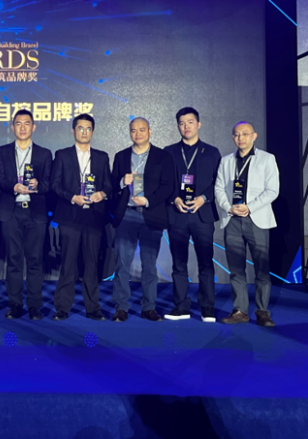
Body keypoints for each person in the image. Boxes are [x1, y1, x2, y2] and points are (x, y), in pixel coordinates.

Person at [110, 117, 175, 322]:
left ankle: (149, 307)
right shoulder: (121, 156)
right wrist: (122, 181)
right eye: (133, 130)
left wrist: (148, 200)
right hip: (126, 215)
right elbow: (112, 184)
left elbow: (168, 186)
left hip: (151, 214)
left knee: (149, 264)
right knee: (122, 264)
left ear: (150, 131)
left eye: (141, 130)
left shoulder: (163, 157)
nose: (137, 134)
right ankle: (121, 307)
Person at [215, 121, 279, 327]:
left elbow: (272, 190)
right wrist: (229, 207)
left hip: (256, 218)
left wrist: (249, 207)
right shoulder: (226, 161)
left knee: (262, 269)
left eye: (245, 134)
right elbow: (218, 188)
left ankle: (262, 311)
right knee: (236, 268)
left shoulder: (267, 159)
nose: (240, 138)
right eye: (236, 134)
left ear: (254, 136)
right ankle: (240, 310)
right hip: (232, 219)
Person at [50, 113, 112, 321]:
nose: (84, 132)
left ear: (92, 131)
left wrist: (102, 194)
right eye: (80, 128)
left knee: (92, 264)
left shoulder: (102, 157)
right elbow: (55, 184)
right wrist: (72, 197)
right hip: (70, 216)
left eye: (88, 128)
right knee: (68, 263)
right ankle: (62, 308)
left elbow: (109, 186)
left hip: (94, 217)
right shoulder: (62, 155)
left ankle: (93, 308)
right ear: (73, 131)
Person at [163, 107, 222, 323]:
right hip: (177, 214)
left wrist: (203, 198)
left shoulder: (212, 152)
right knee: (179, 263)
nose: (186, 126)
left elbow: (219, 183)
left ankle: (207, 307)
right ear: (178, 126)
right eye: (181, 123)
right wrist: (174, 198)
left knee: (205, 262)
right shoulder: (168, 152)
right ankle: (181, 307)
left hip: (202, 214)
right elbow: (164, 182)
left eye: (190, 122)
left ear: (198, 124)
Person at [0, 109, 52, 320]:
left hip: (35, 213)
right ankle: (15, 305)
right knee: (14, 260)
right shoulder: (2, 152)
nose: (22, 127)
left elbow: (50, 183)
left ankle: (35, 306)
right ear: (13, 127)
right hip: (11, 212)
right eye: (18, 123)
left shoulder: (44, 154)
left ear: (33, 127)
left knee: (35, 260)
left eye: (27, 123)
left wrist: (38, 185)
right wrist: (13, 186)